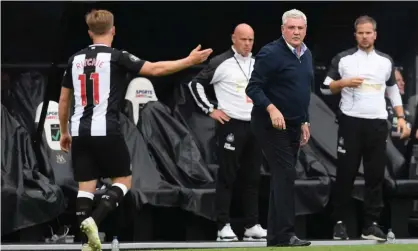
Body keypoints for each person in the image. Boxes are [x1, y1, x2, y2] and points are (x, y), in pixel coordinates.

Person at [58, 9, 212, 251]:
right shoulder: (117, 57)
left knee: (85, 186)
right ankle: (94, 222)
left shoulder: (74, 60)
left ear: (89, 33)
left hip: (80, 131)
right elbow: (155, 69)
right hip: (107, 128)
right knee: (124, 180)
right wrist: (189, 61)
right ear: (114, 31)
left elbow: (64, 100)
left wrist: (65, 131)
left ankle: (86, 243)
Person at [320, 15, 410, 241]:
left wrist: (400, 117)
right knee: (346, 173)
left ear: (375, 34)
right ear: (355, 35)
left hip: (377, 123)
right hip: (351, 122)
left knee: (375, 175)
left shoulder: (385, 61)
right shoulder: (344, 59)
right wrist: (343, 83)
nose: (364, 36)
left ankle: (371, 224)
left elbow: (392, 90)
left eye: (368, 32)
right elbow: (324, 88)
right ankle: (339, 222)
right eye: (360, 32)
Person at [188, 23, 267, 242]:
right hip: (231, 125)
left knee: (253, 177)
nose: (247, 44)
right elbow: (195, 85)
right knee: (227, 177)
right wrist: (210, 110)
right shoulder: (220, 62)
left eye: (251, 39)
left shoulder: (257, 63)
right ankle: (223, 225)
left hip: (254, 125)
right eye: (243, 39)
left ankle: (252, 224)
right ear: (233, 38)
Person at [245, 9, 313, 247]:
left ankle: (276, 237)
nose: (296, 32)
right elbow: (253, 88)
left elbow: (304, 90)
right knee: (285, 174)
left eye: (300, 28)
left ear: (305, 30)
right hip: (269, 123)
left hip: (294, 124)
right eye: (291, 27)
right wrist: (272, 109)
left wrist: (305, 120)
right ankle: (284, 234)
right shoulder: (271, 53)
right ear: (283, 29)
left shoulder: (307, 54)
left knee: (282, 177)